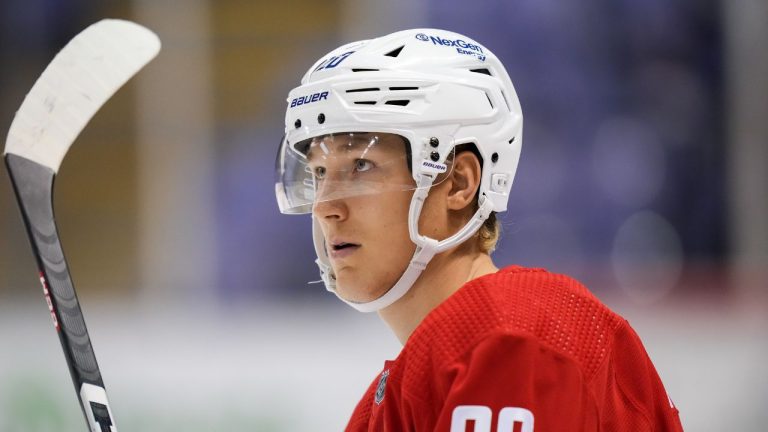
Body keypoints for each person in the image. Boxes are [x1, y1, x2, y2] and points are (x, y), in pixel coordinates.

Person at [275, 28, 683, 431]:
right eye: (319, 173)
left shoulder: (511, 340)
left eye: (360, 167)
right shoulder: (390, 401)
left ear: (458, 183)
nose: (325, 206)